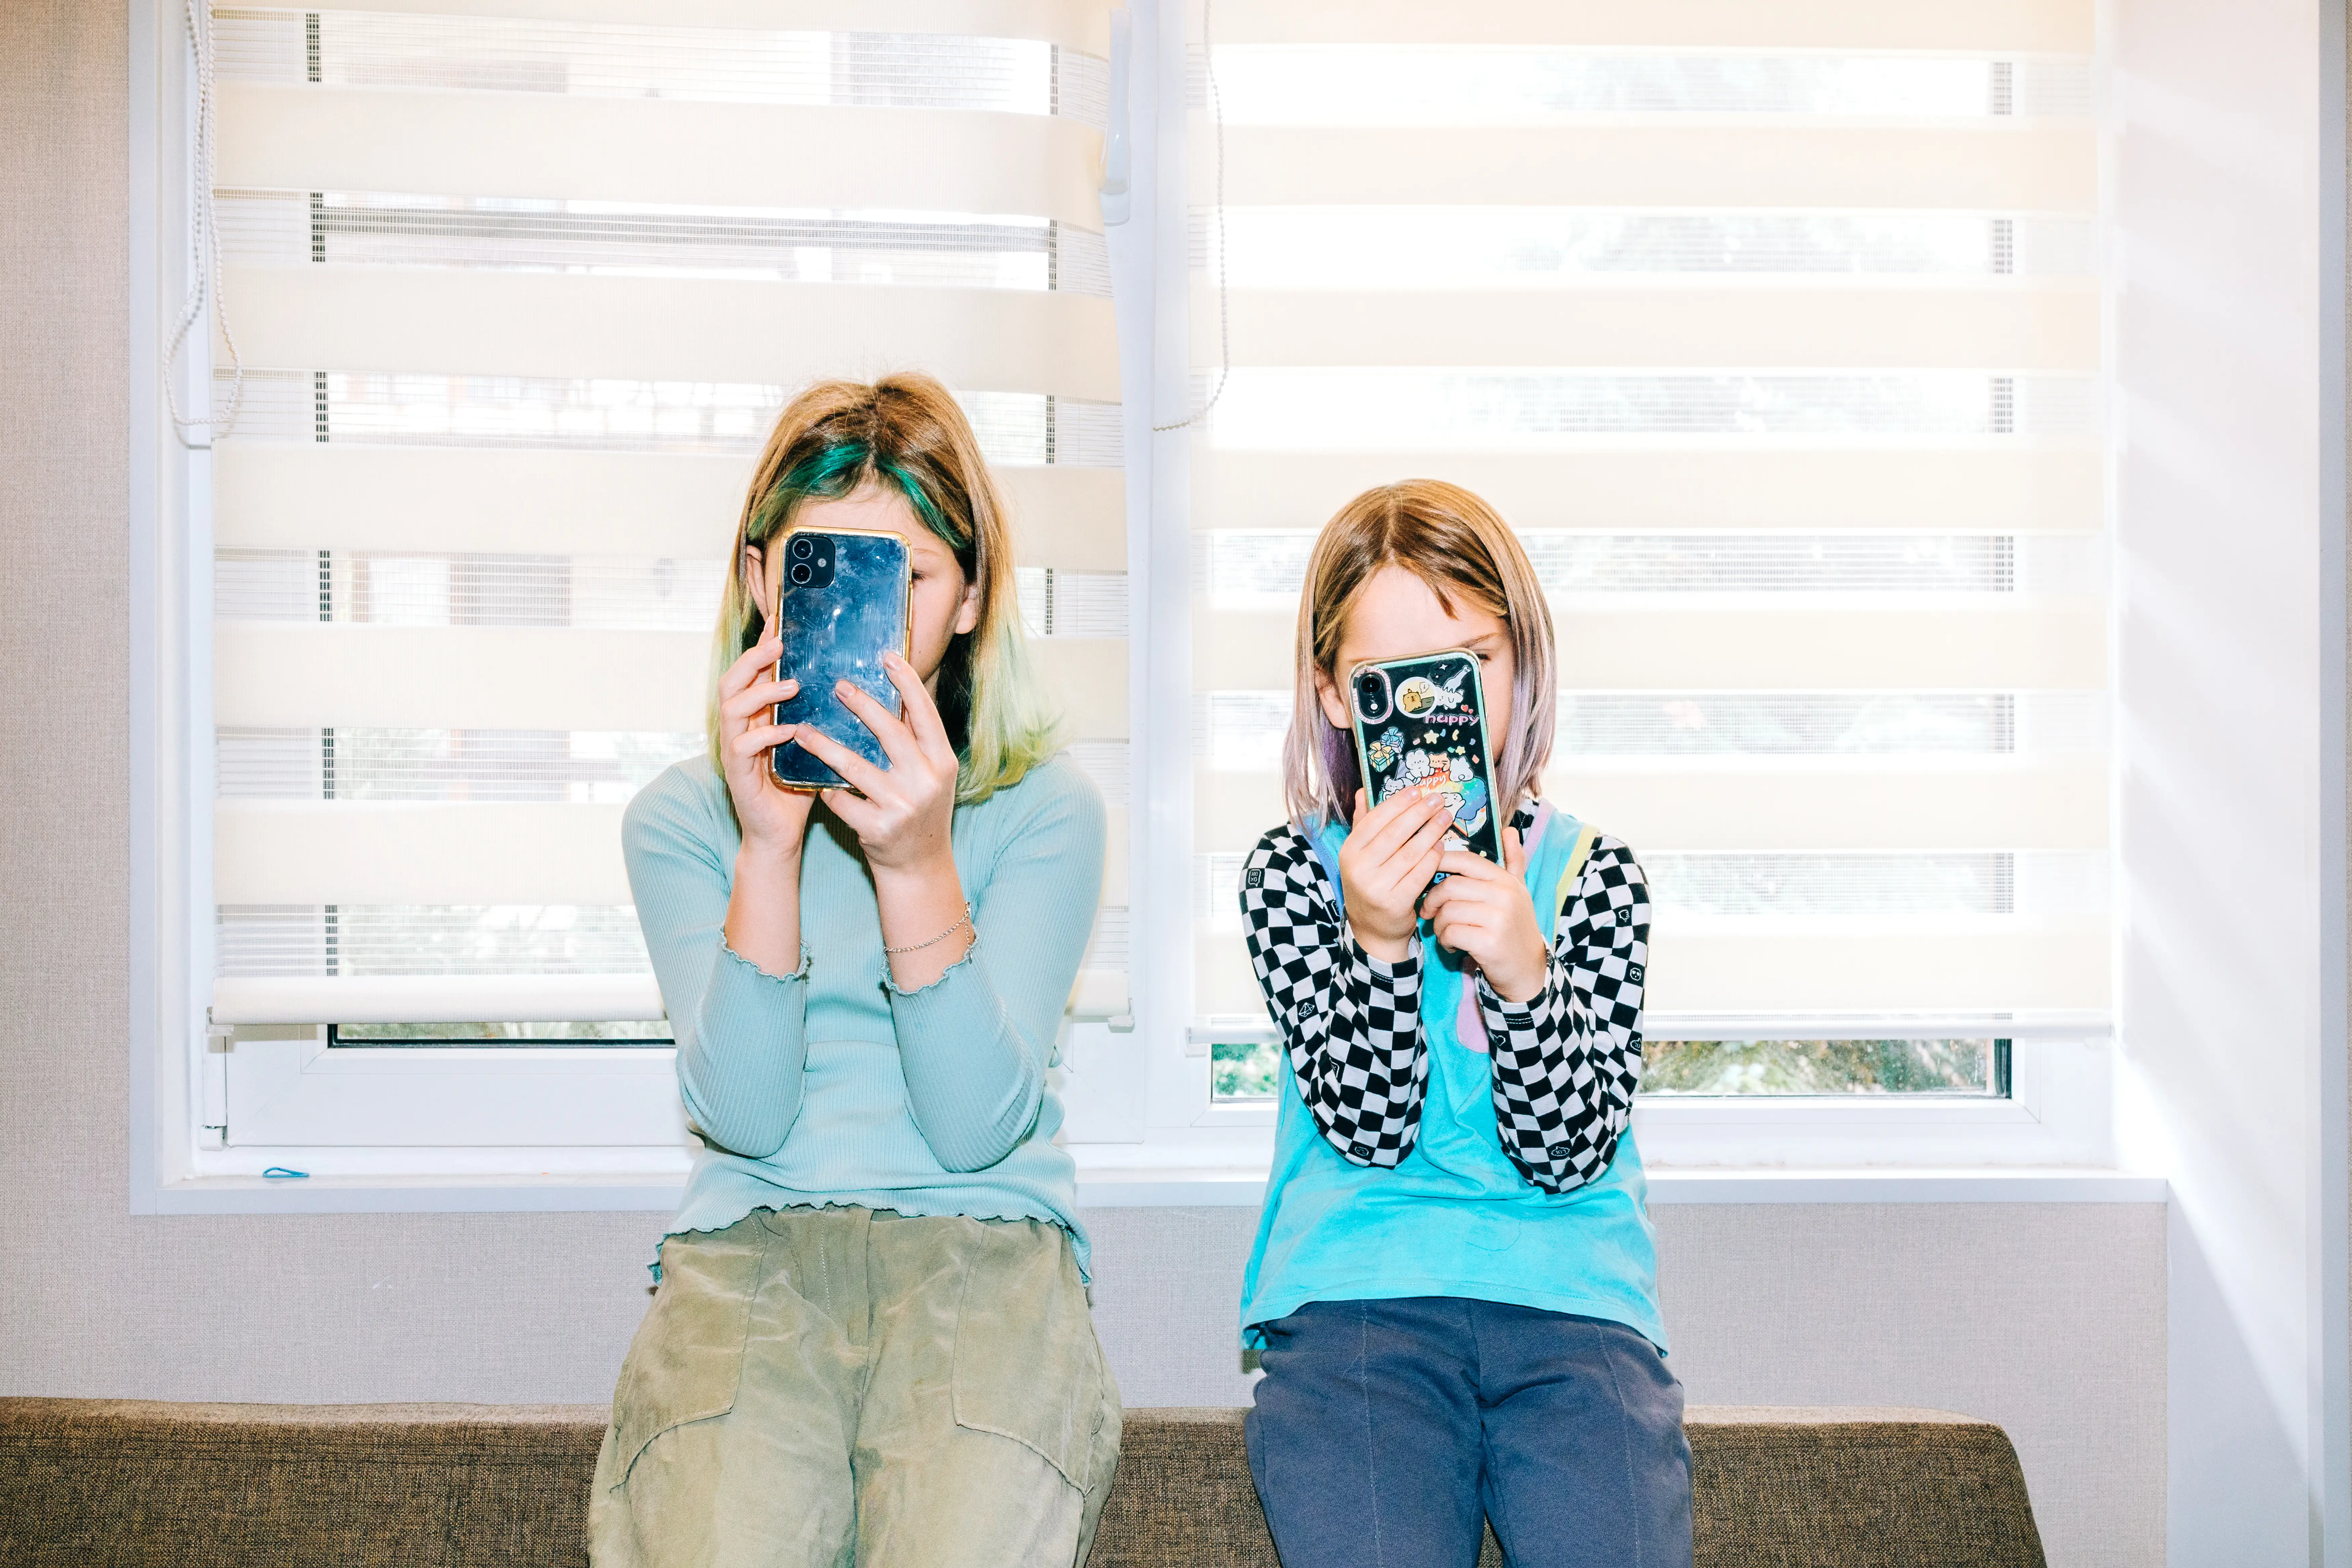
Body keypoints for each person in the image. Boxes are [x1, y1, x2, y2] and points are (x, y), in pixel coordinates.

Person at [590, 374, 1120, 1568]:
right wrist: (769, 846)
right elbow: (744, 1113)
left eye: (910, 579)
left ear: (973, 598)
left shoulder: (1046, 814)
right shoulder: (681, 825)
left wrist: (916, 862)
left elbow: (978, 1124)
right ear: (758, 580)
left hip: (985, 1252)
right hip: (750, 1257)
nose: (869, 625)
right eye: (822, 572)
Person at [1235, 480, 1692, 1568]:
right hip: (1357, 1302)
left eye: (1471, 664)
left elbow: (1572, 1149)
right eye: (1392, 680)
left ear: (1519, 663)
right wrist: (1378, 942)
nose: (1442, 711)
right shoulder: (1290, 874)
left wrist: (1529, 976)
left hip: (1574, 1309)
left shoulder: (1595, 875)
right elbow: (1367, 1127)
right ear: (1337, 697)